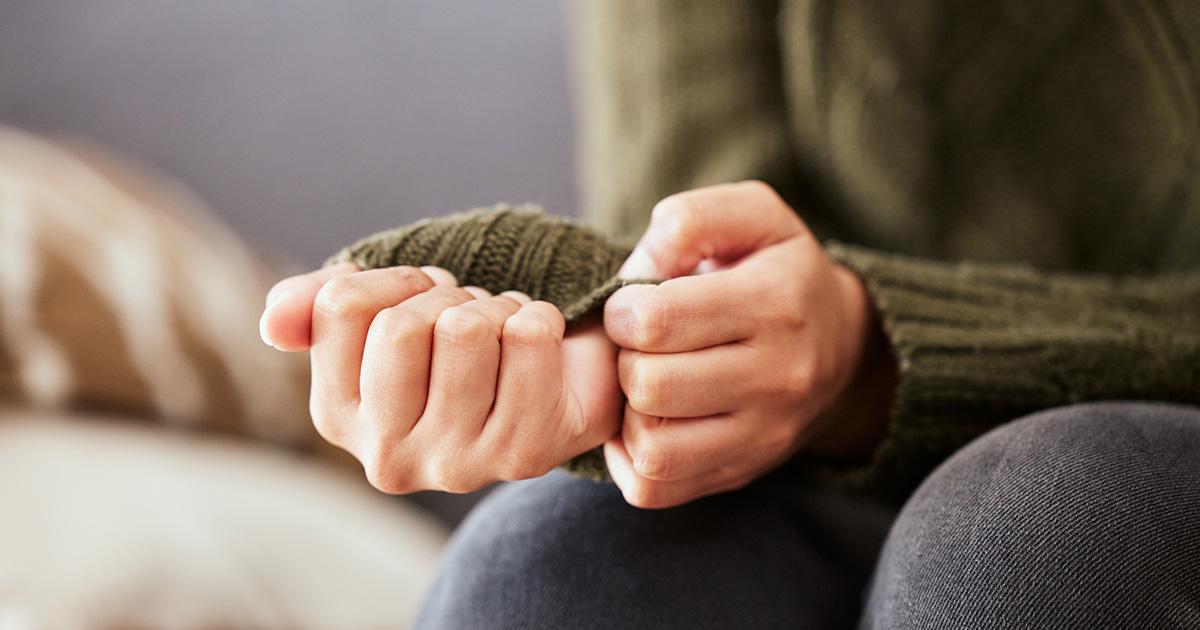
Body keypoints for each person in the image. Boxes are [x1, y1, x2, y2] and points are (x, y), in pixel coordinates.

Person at [260, 1, 1200, 627]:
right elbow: (680, 230)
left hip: (1107, 434)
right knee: (549, 569)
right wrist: (641, 361)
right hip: (821, 456)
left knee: (1044, 530)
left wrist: (865, 348)